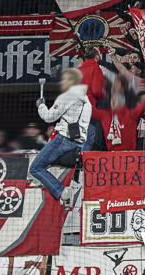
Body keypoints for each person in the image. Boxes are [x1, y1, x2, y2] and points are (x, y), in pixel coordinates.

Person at [31, 67, 92, 203]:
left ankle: (62, 192)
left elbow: (49, 117)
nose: (62, 82)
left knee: (35, 167)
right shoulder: (86, 100)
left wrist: (41, 106)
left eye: (64, 79)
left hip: (64, 139)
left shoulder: (68, 95)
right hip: (79, 142)